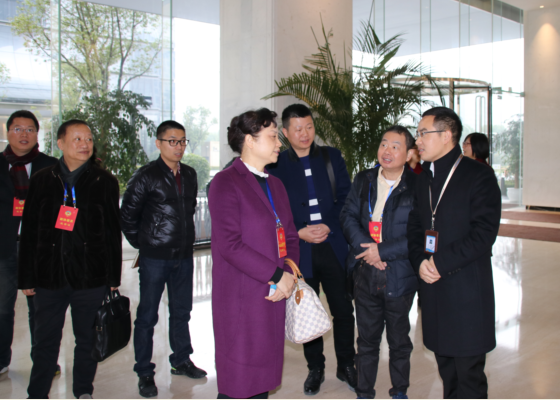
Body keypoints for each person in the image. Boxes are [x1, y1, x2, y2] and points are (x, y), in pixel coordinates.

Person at [18, 119, 122, 399]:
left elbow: (112, 232)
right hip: (48, 276)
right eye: (77, 139)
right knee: (45, 341)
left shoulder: (104, 181)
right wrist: (26, 277)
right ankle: (37, 393)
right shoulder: (42, 179)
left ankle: (83, 391)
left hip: (90, 277)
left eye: (88, 139)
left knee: (87, 340)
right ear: (60, 143)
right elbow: (29, 230)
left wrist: (113, 277)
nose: (85, 144)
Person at [407, 107, 501, 399]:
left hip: (466, 290)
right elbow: (415, 226)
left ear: (447, 135)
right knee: (447, 370)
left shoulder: (479, 175)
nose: (417, 141)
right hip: (433, 291)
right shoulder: (424, 178)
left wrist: (439, 262)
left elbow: (484, 234)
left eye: (423, 133)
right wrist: (420, 261)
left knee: (468, 375)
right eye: (417, 134)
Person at [208, 108, 299, 399]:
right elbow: (229, 244)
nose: (279, 143)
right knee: (239, 380)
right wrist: (276, 275)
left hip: (274, 292)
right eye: (272, 136)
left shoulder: (276, 184)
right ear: (249, 140)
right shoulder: (225, 182)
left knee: (262, 380)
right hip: (242, 296)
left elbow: (290, 235)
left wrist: (288, 275)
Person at [267, 104, 356, 395]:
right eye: (297, 129)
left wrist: (328, 225)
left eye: (309, 127)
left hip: (333, 246)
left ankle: (347, 365)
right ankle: (315, 368)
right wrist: (298, 231)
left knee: (343, 310)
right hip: (300, 250)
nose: (304, 134)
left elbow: (346, 198)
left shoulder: (332, 157)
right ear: (285, 132)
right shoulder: (276, 164)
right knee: (306, 308)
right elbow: (273, 210)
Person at [121, 120, 206, 398]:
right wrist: (146, 245)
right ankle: (144, 371)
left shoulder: (190, 174)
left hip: (184, 256)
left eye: (182, 141)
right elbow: (127, 217)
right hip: (155, 259)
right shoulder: (145, 176)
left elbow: (189, 210)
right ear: (158, 143)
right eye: (172, 141)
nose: (178, 146)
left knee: (182, 312)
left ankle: (181, 359)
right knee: (147, 316)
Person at [340, 126, 418, 400]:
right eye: (384, 144)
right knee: (366, 340)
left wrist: (382, 252)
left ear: (409, 154)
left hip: (400, 275)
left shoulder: (418, 186)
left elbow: (420, 234)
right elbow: (348, 215)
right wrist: (368, 250)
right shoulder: (365, 180)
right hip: (365, 272)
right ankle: (364, 392)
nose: (387, 150)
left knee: (399, 341)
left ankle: (399, 391)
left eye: (396, 146)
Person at [0, 110, 57, 377]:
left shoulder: (52, 166)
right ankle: (1, 359)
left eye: (30, 129)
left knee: (41, 309)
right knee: (2, 307)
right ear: (8, 132)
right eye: (18, 129)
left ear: (37, 133)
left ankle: (44, 361)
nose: (24, 134)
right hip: (4, 248)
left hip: (40, 249)